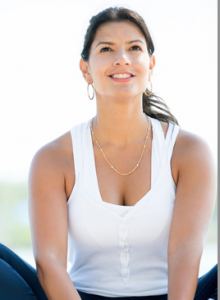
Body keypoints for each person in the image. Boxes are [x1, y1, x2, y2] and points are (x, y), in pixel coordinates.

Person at [0, 6, 217, 300]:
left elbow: (184, 253)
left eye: (134, 48)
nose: (122, 59)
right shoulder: (54, 158)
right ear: (85, 69)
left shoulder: (189, 152)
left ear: (150, 64)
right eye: (106, 48)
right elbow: (49, 263)